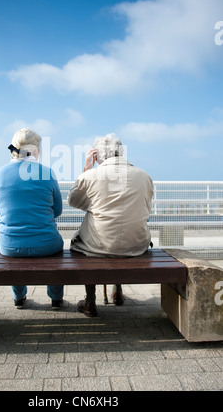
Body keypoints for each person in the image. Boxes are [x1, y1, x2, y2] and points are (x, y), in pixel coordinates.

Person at [67, 133, 153, 317]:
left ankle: (90, 301)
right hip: (136, 245)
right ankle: (118, 291)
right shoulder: (144, 176)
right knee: (120, 228)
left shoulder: (91, 176)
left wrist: (86, 169)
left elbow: (73, 201)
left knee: (85, 242)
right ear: (121, 152)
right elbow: (146, 208)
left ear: (96, 156)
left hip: (99, 247)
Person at [0, 128, 64, 310]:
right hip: (47, 244)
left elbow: (1, 210)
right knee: (56, 249)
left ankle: (19, 297)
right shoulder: (47, 172)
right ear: (36, 150)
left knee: (12, 245)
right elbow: (57, 210)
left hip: (10, 245)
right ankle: (55, 299)